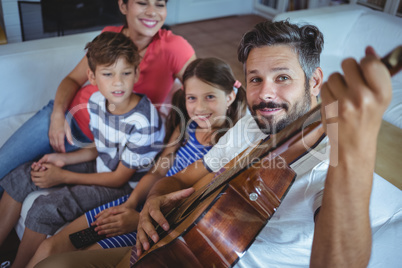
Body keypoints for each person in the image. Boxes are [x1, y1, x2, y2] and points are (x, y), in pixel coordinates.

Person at [35, 20, 393, 268]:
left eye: (282, 78)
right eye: (255, 79)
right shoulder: (251, 125)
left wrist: (355, 146)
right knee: (54, 262)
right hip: (170, 246)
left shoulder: (331, 160)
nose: (265, 93)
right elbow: (185, 177)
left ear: (314, 80)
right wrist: (155, 200)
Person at [27, 57, 247, 267]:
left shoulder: (226, 148)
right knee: (56, 244)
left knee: (84, 257)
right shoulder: (187, 127)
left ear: (229, 96)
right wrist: (129, 205)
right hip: (138, 201)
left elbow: (195, 207)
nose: (199, 108)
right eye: (192, 98)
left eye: (210, 97)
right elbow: (157, 173)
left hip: (160, 223)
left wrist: (139, 219)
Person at [0, 31, 166, 268]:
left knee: (45, 208)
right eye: (108, 74)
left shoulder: (144, 122)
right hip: (103, 167)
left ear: (137, 73)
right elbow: (100, 149)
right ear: (92, 76)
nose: (118, 82)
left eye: (126, 73)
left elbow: (118, 178)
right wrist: (63, 159)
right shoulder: (97, 102)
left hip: (123, 188)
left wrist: (63, 175)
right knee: (24, 174)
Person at [0, 0, 196, 194]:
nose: (152, 12)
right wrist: (58, 115)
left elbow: (201, 93)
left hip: (103, 140)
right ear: (123, 6)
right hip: (68, 116)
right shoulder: (109, 36)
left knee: (22, 178)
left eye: (160, 5)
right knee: (4, 166)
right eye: (143, 3)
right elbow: (72, 80)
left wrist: (170, 148)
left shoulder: (174, 47)